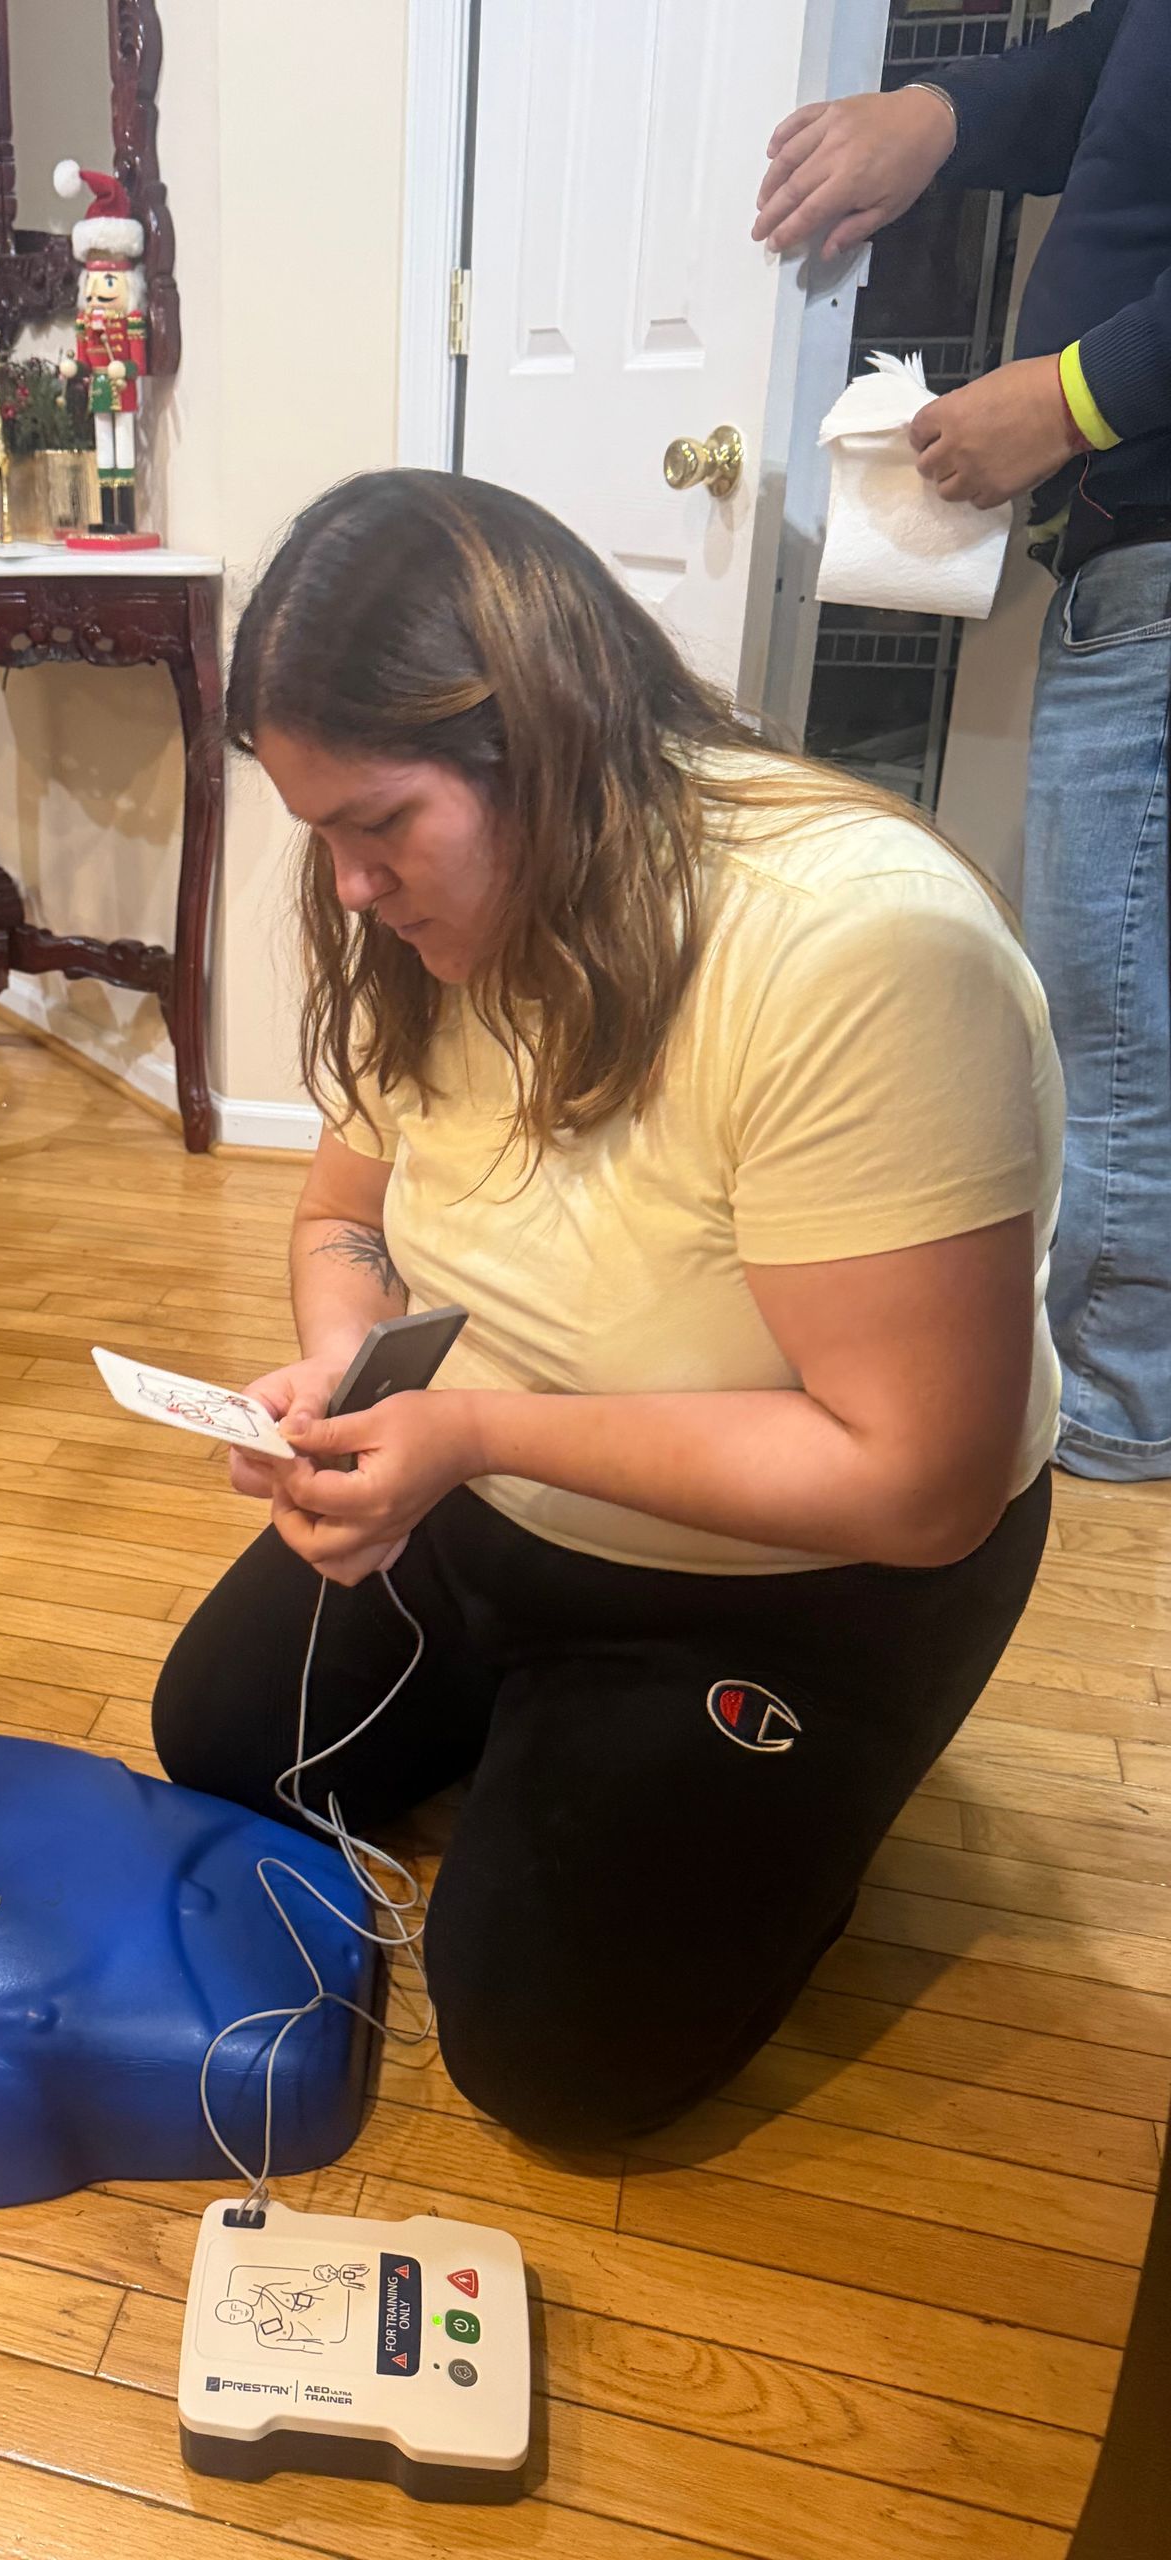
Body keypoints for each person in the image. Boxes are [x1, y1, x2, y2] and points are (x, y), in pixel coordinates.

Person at [152, 470, 1062, 2151]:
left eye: (379, 828)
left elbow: (917, 1479)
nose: (348, 889)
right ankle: (567, 1751)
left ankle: (776, 1799)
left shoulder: (854, 952)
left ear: (545, 746)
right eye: (320, 835)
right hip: (493, 1487)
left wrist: (475, 1426)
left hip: (802, 1579)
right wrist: (356, 1371)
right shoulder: (422, 916)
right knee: (216, 1747)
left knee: (561, 2064)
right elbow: (343, 1217)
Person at [755, 3, 1171, 1480]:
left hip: (1155, 549)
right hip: (1132, 556)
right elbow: (1106, 70)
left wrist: (1071, 397)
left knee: (1119, 1029)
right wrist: (940, 120)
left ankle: (1117, 1418)